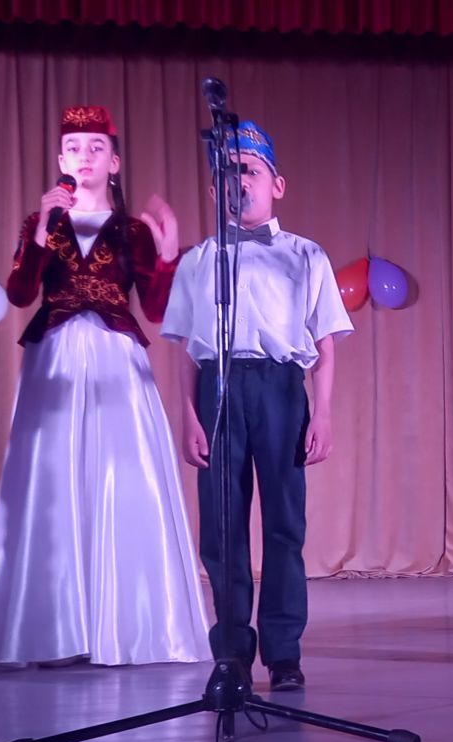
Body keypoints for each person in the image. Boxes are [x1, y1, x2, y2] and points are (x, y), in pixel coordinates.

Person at [0, 104, 210, 671]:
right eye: (74, 148)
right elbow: (20, 294)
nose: (85, 156)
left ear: (114, 162)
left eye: (96, 148)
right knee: (53, 482)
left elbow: (156, 310)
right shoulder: (43, 221)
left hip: (116, 358)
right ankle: (53, 629)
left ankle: (128, 626)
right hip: (53, 358)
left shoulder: (132, 231)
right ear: (61, 159)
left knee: (120, 479)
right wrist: (40, 235)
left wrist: (168, 255)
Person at [160, 119, 353, 692]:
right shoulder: (200, 260)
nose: (238, 181)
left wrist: (323, 413)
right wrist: (188, 415)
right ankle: (232, 652)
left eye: (249, 170)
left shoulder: (305, 255)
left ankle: (284, 652)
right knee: (222, 530)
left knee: (284, 524)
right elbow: (187, 349)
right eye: (227, 173)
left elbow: (324, 343)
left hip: (279, 386)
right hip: (219, 386)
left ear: (276, 185)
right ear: (214, 189)